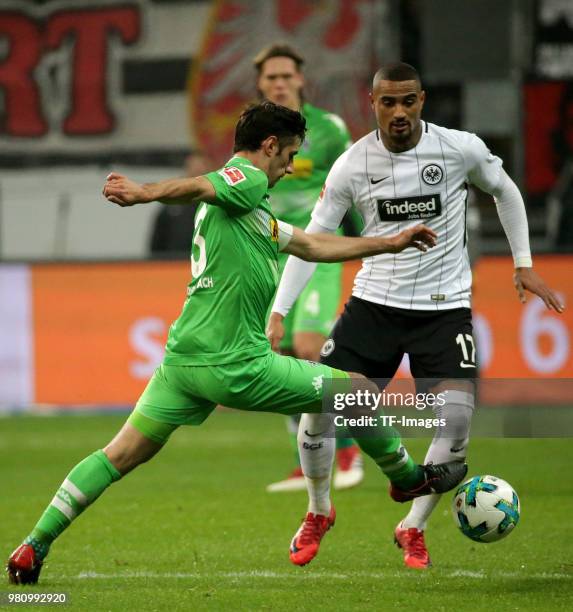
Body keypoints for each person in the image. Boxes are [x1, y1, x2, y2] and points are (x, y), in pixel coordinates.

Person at [7, 101, 468, 585]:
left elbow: (313, 245)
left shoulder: (251, 209)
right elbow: (200, 183)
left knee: (118, 455)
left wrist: (387, 244)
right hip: (236, 364)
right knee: (352, 388)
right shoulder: (243, 179)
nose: (290, 167)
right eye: (288, 155)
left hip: (182, 364)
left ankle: (33, 546)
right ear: (268, 147)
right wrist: (144, 193)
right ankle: (407, 478)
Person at [267, 63, 564, 569]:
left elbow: (506, 190)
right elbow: (312, 240)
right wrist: (279, 312)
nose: (399, 111)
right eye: (389, 102)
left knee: (456, 421)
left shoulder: (458, 148)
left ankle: (413, 526)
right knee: (324, 404)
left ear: (422, 100)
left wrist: (524, 265)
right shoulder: (352, 164)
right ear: (373, 103)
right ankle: (318, 511)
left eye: (408, 101)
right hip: (373, 307)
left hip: (443, 311)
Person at [253, 43, 363, 492]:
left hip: (317, 250)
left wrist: (367, 240)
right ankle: (308, 456)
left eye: (286, 75)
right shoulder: (255, 131)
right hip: (270, 254)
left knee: (310, 345)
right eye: (271, 77)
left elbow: (359, 183)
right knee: (274, 354)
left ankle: (349, 447)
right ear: (261, 84)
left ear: (300, 79)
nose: (279, 82)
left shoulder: (330, 130)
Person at [149, 151, 215, 257]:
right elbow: (157, 241)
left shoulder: (214, 204)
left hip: (205, 265)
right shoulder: (172, 203)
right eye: (194, 167)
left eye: (201, 166)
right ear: (187, 168)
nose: (197, 170)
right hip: (173, 265)